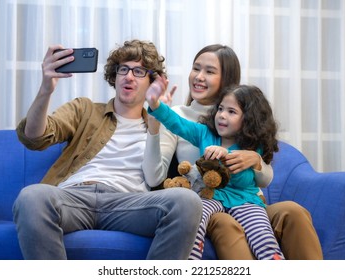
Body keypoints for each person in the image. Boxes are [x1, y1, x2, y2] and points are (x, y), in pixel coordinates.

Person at [12, 39, 203, 260]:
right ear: (115, 75)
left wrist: (155, 122)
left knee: (187, 202)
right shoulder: (85, 109)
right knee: (31, 196)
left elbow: (156, 177)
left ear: (152, 82)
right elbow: (34, 138)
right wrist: (46, 89)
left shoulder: (161, 124)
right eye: (123, 69)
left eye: (139, 71)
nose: (129, 76)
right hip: (74, 197)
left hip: (128, 205)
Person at [143, 44, 323, 259]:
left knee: (293, 212)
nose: (199, 77)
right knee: (225, 223)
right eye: (196, 68)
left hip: (248, 202)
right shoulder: (193, 124)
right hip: (210, 201)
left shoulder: (246, 125)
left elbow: (264, 179)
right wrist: (154, 106)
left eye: (209, 71)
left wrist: (255, 159)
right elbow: (170, 136)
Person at [146, 82, 285, 260]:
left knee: (263, 239)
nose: (222, 115)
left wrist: (226, 154)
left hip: (244, 199)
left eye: (231, 112)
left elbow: (242, 180)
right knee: (193, 219)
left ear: (249, 120)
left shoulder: (252, 146)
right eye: (220, 109)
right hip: (210, 196)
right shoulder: (204, 133)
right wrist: (155, 105)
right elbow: (177, 123)